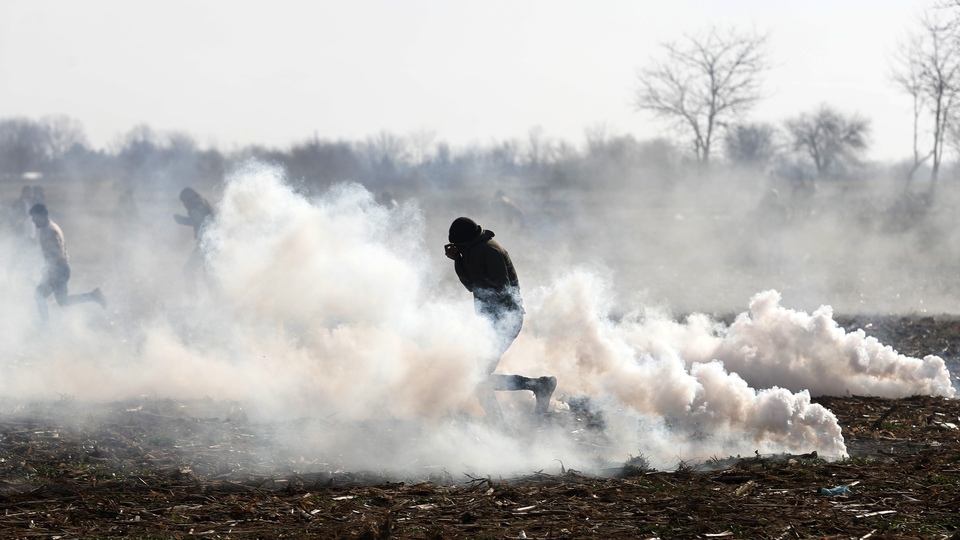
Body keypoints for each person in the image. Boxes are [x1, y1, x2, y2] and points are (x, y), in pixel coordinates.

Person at [444, 216, 556, 421]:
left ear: (466, 241)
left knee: (478, 379)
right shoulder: (472, 251)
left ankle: (502, 425)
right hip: (492, 321)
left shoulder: (489, 251)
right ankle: (538, 386)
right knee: (477, 377)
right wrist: (459, 261)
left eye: (458, 246)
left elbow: (501, 288)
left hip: (505, 320)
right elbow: (473, 286)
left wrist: (494, 323)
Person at [29, 204, 107, 323]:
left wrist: (52, 273)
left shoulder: (50, 231)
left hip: (58, 270)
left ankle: (44, 327)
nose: (33, 220)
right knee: (63, 301)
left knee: (39, 295)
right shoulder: (48, 228)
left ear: (42, 215)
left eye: (34, 217)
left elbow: (58, 256)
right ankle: (93, 295)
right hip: (60, 269)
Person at [173, 187, 215, 293]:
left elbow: (196, 221)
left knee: (191, 270)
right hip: (208, 245)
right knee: (208, 274)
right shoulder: (201, 205)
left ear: (188, 199)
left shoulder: (197, 206)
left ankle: (196, 301)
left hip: (206, 246)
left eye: (184, 202)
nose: (184, 205)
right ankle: (218, 301)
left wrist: (180, 219)